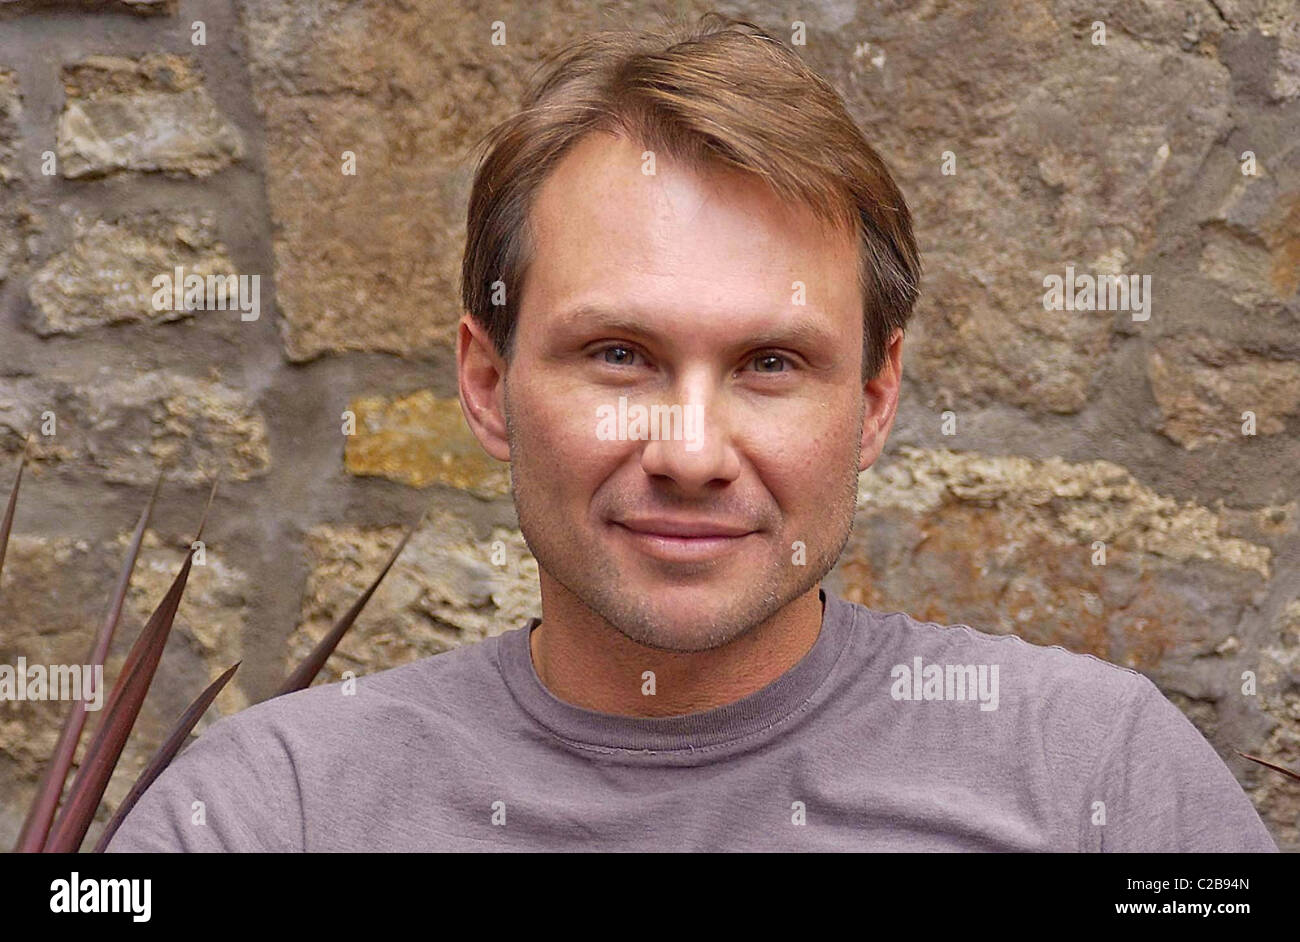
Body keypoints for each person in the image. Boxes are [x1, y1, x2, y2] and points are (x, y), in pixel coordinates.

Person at [107, 12, 1277, 852]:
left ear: (872, 402)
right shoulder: (274, 814)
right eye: (620, 354)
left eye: (772, 364)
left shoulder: (1097, 780)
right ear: (486, 380)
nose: (690, 450)